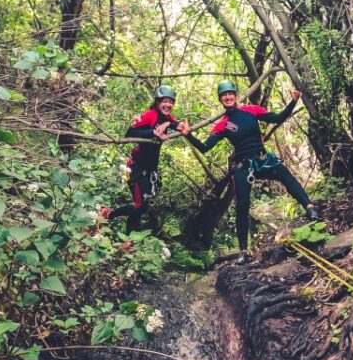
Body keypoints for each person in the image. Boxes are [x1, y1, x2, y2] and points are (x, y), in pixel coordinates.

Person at [184, 79, 319, 263]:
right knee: (242, 205)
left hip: (262, 159)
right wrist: (188, 134)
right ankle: (243, 251)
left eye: (230, 94)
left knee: (286, 176)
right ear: (221, 100)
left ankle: (310, 208)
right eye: (224, 95)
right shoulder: (223, 124)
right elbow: (204, 147)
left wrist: (294, 101)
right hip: (243, 165)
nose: (228, 97)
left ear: (236, 95)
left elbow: (277, 118)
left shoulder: (251, 110)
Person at [100, 85, 190, 233]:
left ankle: (128, 241)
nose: (168, 105)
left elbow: (173, 123)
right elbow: (130, 132)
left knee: (142, 207)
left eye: (171, 102)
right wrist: (153, 132)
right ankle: (108, 214)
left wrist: (176, 125)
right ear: (157, 102)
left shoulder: (166, 118)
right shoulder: (150, 115)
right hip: (134, 167)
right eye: (165, 101)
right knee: (139, 205)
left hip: (149, 170)